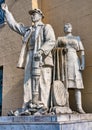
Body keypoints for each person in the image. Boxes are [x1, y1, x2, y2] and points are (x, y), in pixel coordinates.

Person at [2, 4, 55, 111]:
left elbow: (51, 41)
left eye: (34, 14)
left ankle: (43, 105)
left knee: (43, 80)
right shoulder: (28, 30)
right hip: (30, 55)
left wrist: (41, 51)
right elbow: (15, 26)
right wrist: (6, 12)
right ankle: (28, 105)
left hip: (42, 57)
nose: (32, 16)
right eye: (31, 15)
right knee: (28, 80)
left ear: (40, 16)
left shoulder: (46, 27)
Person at [57, 23, 85, 113]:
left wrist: (83, 63)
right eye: (65, 26)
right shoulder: (60, 39)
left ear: (71, 28)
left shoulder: (76, 38)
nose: (67, 27)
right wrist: (61, 50)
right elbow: (54, 50)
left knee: (77, 86)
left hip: (75, 61)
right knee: (65, 85)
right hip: (64, 61)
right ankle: (66, 106)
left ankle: (79, 107)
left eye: (69, 26)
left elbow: (82, 51)